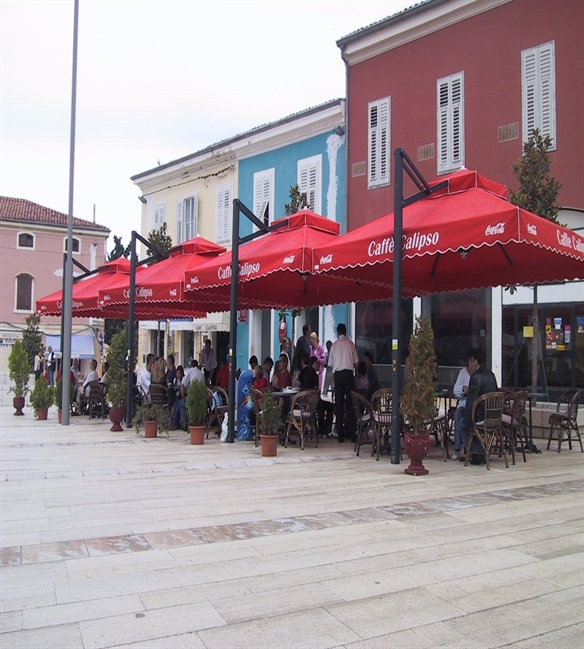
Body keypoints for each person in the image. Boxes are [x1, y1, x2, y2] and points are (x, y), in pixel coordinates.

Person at [460, 348, 498, 465]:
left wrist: (467, 420)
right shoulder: (491, 375)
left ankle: (476, 452)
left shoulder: (476, 377)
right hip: (494, 417)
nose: (470, 364)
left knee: (462, 424)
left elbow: (471, 401)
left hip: (480, 416)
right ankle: (480, 450)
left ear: (477, 361)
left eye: (473, 361)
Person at [329, 323, 359, 443]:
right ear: (345, 332)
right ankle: (352, 435)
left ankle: (340, 435)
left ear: (338, 332)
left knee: (339, 405)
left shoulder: (334, 346)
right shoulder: (350, 344)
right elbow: (356, 362)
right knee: (351, 405)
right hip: (348, 375)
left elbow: (330, 364)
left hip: (338, 375)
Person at [451, 348, 480, 460]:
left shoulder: (480, 373)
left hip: (476, 406)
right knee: (458, 414)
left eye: (473, 361)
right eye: (470, 361)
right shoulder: (463, 372)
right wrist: (464, 388)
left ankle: (472, 448)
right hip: (464, 403)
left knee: (465, 422)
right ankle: (457, 448)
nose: (472, 363)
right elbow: (456, 390)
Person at [172, 365, 187, 430]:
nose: (178, 375)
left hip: (181, 397)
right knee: (175, 406)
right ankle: (175, 423)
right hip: (175, 397)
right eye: (177, 373)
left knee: (179, 406)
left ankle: (175, 423)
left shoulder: (184, 380)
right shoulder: (174, 380)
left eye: (179, 373)